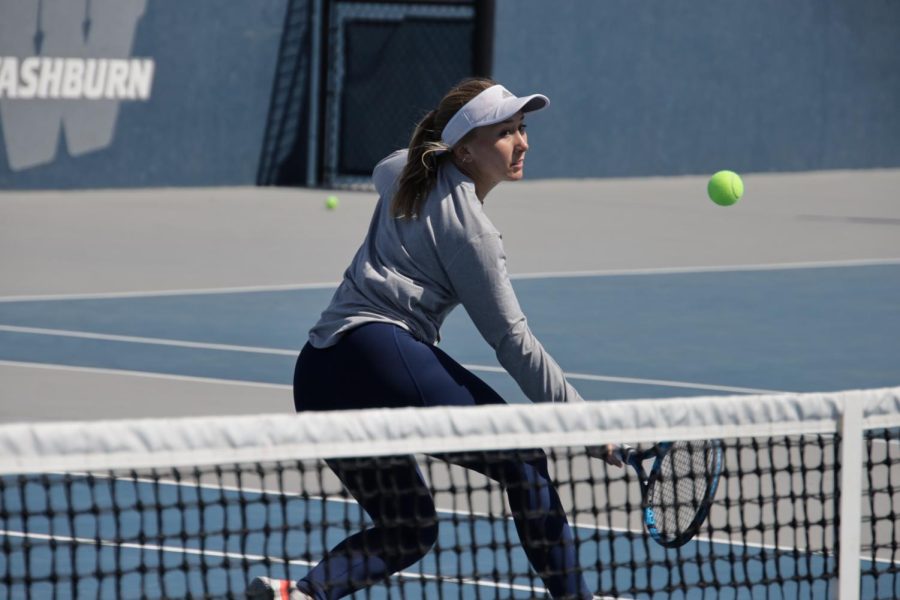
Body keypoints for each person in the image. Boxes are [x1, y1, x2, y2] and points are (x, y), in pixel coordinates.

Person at [248, 78, 619, 600]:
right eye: (505, 133)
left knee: (410, 527)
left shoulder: (404, 172)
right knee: (526, 458)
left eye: (522, 129)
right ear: (464, 151)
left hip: (318, 373)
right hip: (379, 350)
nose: (522, 142)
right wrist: (586, 424)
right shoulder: (474, 234)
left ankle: (302, 595)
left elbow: (389, 167)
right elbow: (513, 342)